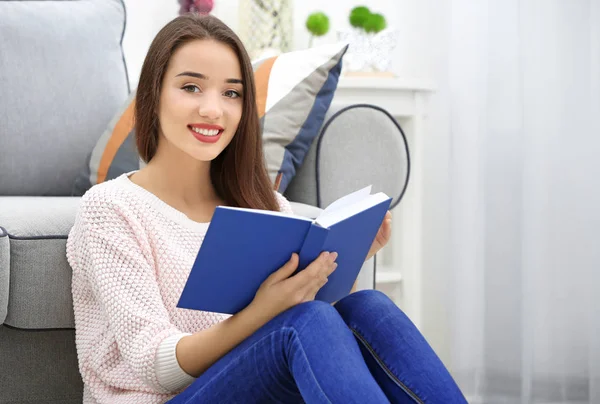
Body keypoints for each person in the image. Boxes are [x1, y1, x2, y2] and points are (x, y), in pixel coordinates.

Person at [66, 13, 467, 404]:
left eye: (231, 93)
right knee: (305, 323)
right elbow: (158, 368)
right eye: (191, 87)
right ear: (153, 95)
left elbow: (315, 342)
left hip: (257, 385)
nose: (213, 109)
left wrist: (340, 264)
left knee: (367, 307)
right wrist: (265, 310)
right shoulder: (112, 209)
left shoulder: (264, 204)